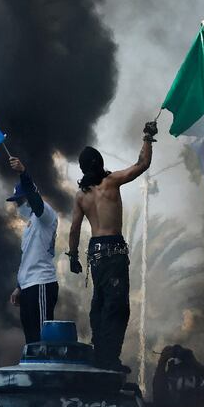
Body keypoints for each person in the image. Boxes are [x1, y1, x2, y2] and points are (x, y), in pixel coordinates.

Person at [67, 121, 157, 371]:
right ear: (99, 162)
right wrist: (147, 137)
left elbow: (74, 229)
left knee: (101, 300)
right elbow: (142, 164)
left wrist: (73, 257)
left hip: (95, 254)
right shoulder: (111, 181)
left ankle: (100, 351)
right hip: (114, 251)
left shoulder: (81, 195)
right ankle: (108, 358)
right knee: (117, 306)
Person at [8, 155, 59, 344]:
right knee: (31, 340)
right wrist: (19, 286)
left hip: (42, 284)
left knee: (42, 340)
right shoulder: (30, 224)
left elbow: (35, 199)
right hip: (28, 286)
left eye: (19, 201)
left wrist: (23, 173)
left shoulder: (44, 214)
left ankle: (46, 373)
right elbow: (29, 257)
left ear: (28, 198)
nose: (17, 206)